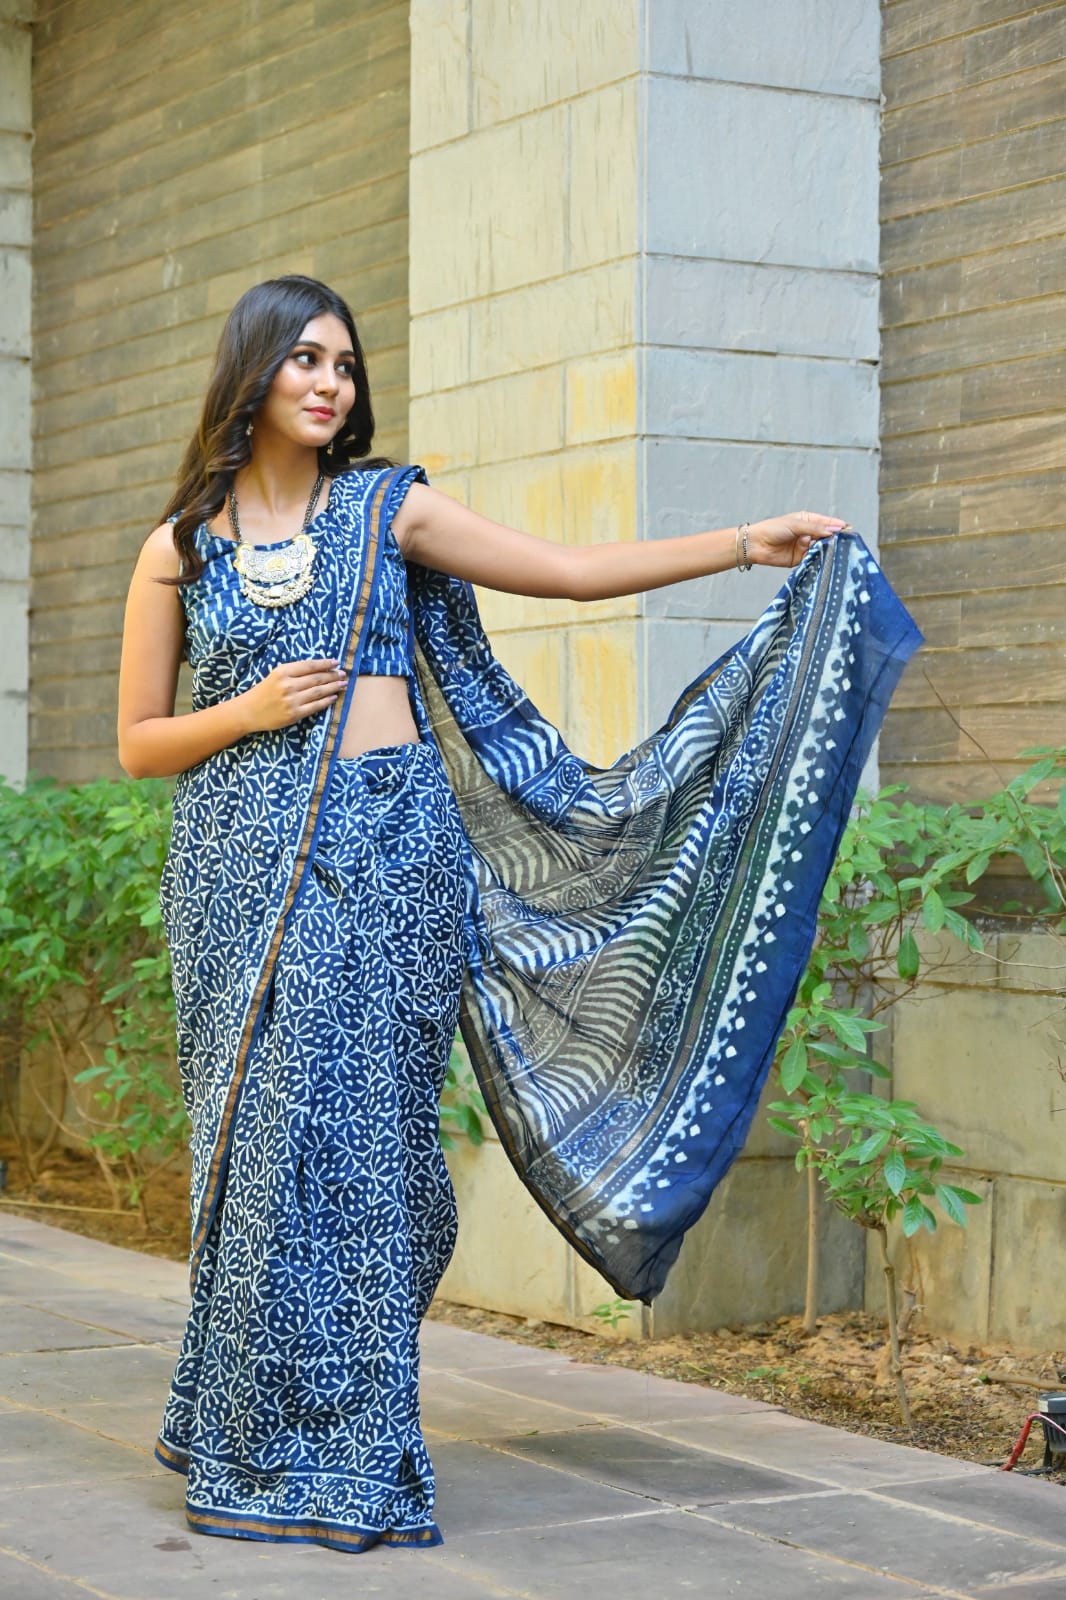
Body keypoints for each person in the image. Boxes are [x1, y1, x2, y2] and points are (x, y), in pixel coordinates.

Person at [117, 275, 919, 1553]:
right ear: (252, 371)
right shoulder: (181, 548)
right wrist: (251, 711)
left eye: (345, 365)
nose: (330, 383)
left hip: (394, 862)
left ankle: (354, 1450)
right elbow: (139, 741)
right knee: (266, 1156)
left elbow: (568, 571)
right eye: (307, 359)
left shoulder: (388, 509)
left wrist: (741, 543)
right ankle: (247, 1432)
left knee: (373, 1159)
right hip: (238, 877)